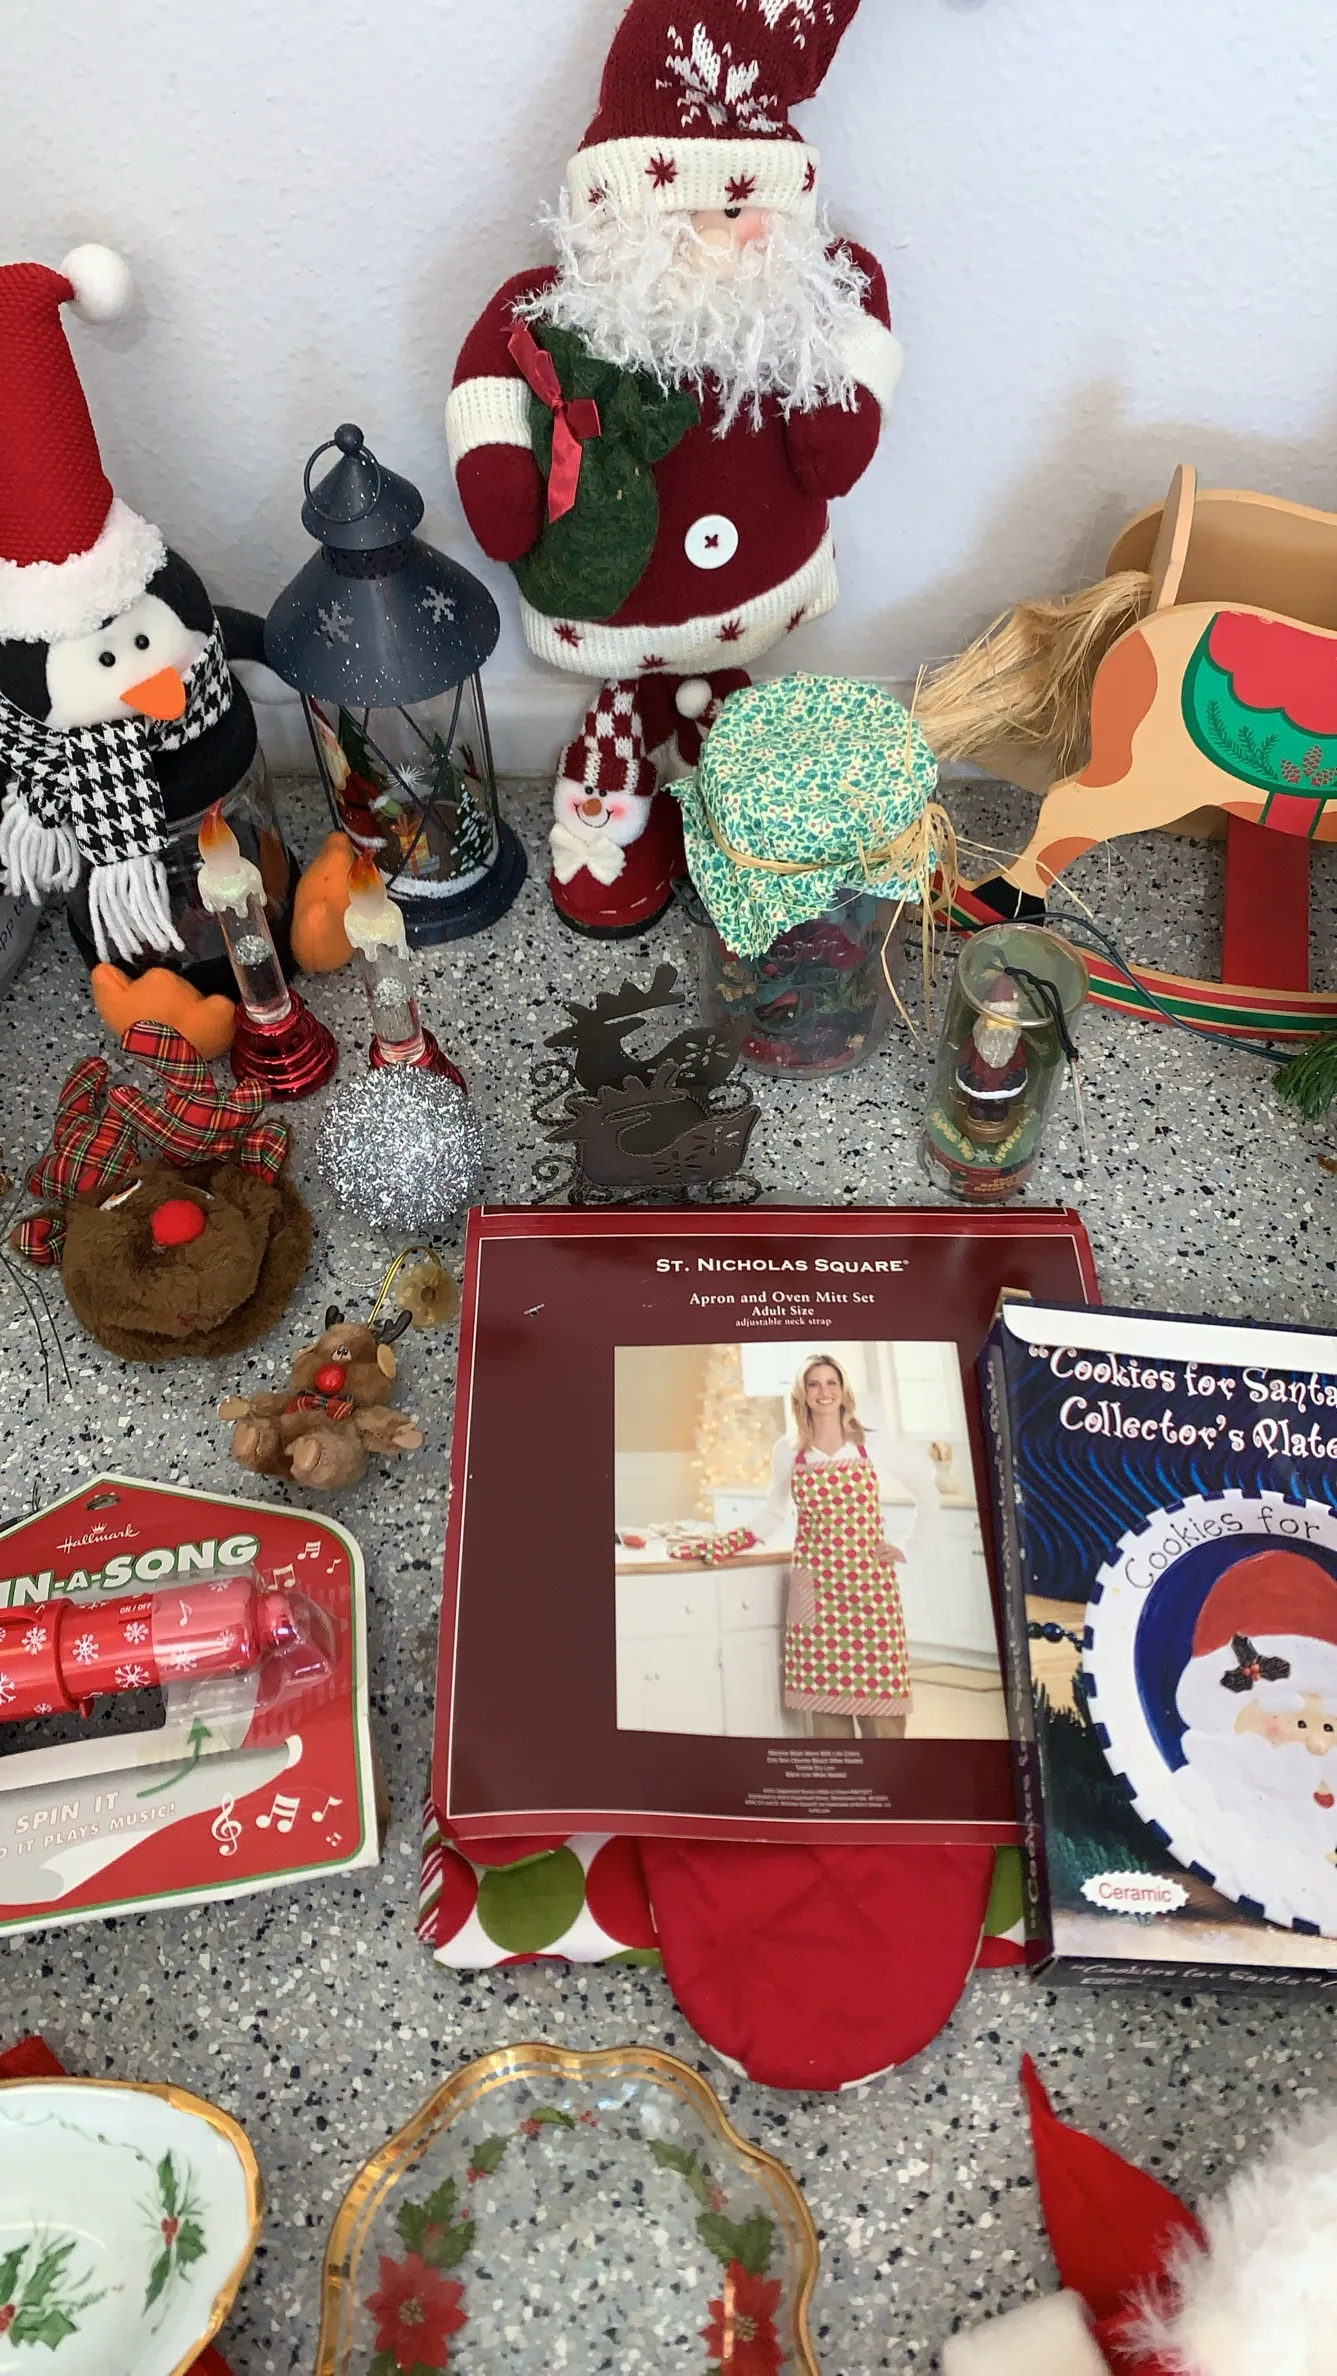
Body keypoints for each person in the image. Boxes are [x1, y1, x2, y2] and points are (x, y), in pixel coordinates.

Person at [673, 1352, 938, 1739]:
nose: (824, 1392)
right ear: (802, 1393)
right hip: (815, 1587)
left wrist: (909, 1546)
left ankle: (884, 1777)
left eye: (831, 1383)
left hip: (870, 1589)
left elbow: (927, 1493)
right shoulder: (788, 1449)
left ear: (844, 1390)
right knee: (825, 1712)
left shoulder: (871, 1443)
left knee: (882, 1706)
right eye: (814, 1384)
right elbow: (773, 1513)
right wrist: (725, 1542)